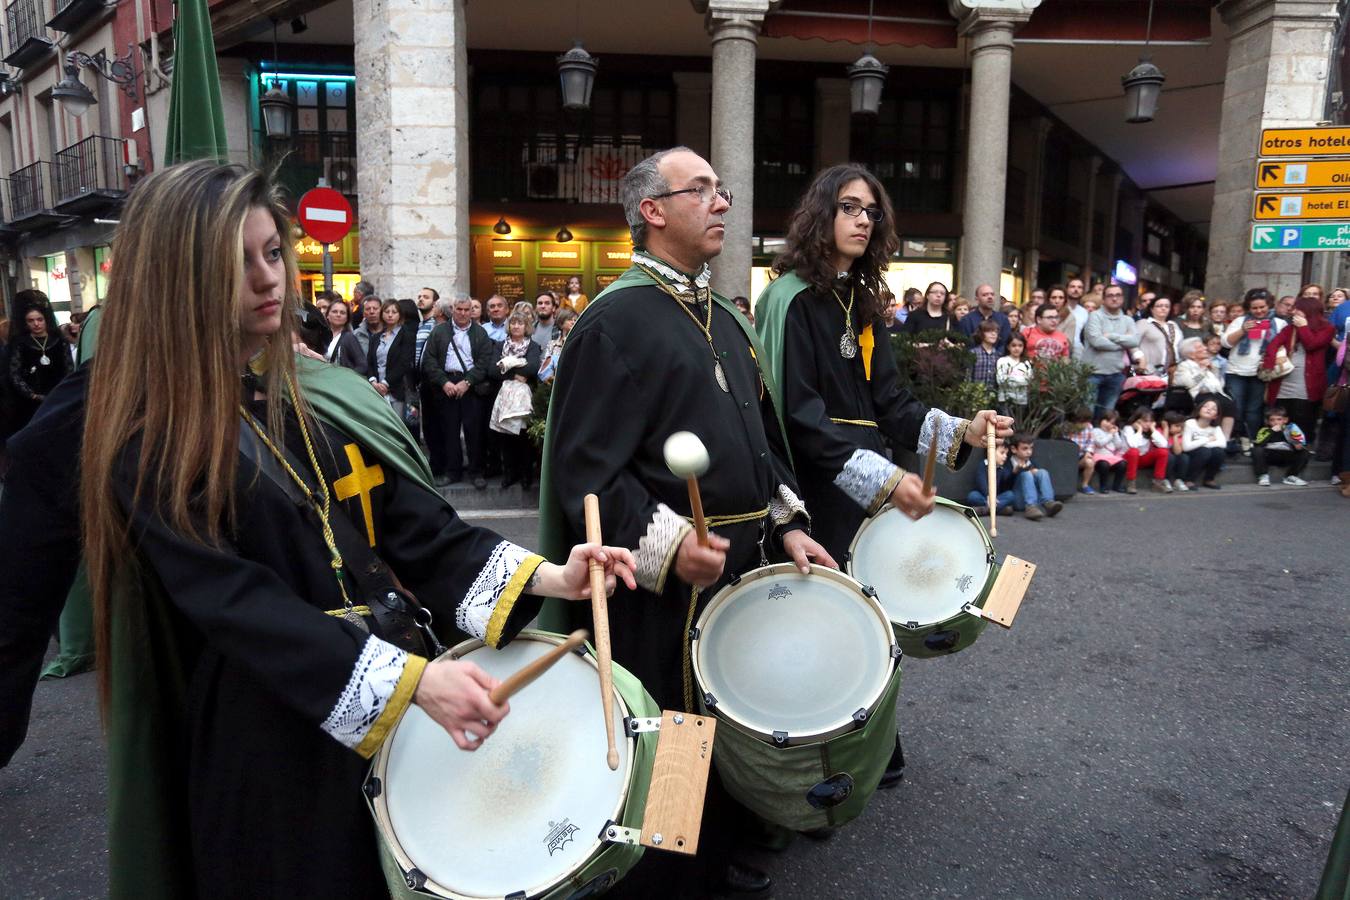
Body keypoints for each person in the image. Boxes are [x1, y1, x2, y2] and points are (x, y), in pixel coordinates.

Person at [69, 161, 638, 898]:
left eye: (273, 252)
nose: (269, 278)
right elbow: (242, 608)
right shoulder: (147, 439)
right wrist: (413, 682)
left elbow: (416, 528)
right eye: (236, 262)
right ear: (176, 278)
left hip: (389, 700)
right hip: (275, 742)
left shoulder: (300, 403)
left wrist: (556, 575)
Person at [539, 146, 836, 897]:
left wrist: (790, 521)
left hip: (743, 558)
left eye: (721, 189)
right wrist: (672, 549)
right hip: (668, 584)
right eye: (701, 189)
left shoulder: (723, 317)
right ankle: (671, 872)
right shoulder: (614, 324)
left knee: (731, 710)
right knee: (677, 722)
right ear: (652, 210)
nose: (722, 203)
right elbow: (588, 476)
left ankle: (720, 844)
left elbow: (757, 440)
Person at [753, 163, 1008, 792]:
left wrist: (961, 433)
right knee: (824, 627)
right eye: (848, 207)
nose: (862, 219)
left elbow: (891, 403)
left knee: (871, 621)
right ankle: (812, 772)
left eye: (870, 210)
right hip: (814, 489)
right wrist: (887, 480)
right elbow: (797, 419)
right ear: (820, 215)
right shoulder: (786, 298)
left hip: (863, 483)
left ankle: (871, 746)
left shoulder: (860, 300)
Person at [421, 295, 495, 487]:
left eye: (466, 309)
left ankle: (476, 472)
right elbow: (429, 361)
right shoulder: (439, 332)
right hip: (447, 384)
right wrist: (444, 382)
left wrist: (467, 382)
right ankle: (452, 471)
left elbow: (484, 362)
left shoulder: (480, 333)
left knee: (474, 432)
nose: (462, 313)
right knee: (449, 431)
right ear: (452, 309)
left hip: (471, 384)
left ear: (471, 311)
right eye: (459, 309)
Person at [1261, 295, 1335, 442]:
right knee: (1282, 421)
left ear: (1309, 311)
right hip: (1283, 382)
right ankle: (1281, 452)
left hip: (1307, 386)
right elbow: (1273, 345)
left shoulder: (1327, 328)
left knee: (1302, 423)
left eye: (1298, 309)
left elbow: (1311, 344)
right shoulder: (1290, 328)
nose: (1294, 311)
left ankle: (1299, 455)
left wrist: (1303, 327)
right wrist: (1268, 367)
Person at [1223, 288, 1284, 449]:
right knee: (1236, 407)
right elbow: (1226, 343)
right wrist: (1243, 330)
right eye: (1254, 308)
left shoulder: (1279, 323)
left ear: (1269, 305)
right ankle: (1235, 439)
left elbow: (1284, 347)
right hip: (1236, 371)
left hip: (1261, 372)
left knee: (1254, 410)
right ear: (1248, 308)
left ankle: (1250, 439)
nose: (1259, 311)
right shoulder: (1240, 321)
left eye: (1262, 307)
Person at [487, 312, 541, 488]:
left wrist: (507, 366)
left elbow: (533, 368)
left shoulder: (533, 346)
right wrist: (516, 373)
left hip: (525, 399)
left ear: (527, 327)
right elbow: (492, 370)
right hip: (503, 398)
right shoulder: (500, 345)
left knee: (523, 437)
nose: (516, 326)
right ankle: (510, 474)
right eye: (513, 323)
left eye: (520, 323)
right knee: (506, 437)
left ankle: (526, 475)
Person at [7, 301, 71, 431]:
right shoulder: (20, 343)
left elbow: (69, 368)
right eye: (31, 320)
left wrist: (60, 392)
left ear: (46, 320)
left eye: (39, 319)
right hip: (29, 404)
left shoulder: (60, 341)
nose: (36, 324)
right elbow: (14, 373)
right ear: (26, 323)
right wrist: (32, 395)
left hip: (58, 399)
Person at [1082, 284, 1141, 420]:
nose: (1114, 299)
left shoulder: (1128, 320)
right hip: (1092, 374)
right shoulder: (1094, 316)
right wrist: (1123, 343)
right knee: (1086, 416)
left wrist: (1112, 336)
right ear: (1103, 299)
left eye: (1118, 295)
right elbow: (1097, 342)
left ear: (1122, 298)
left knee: (1106, 418)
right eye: (1110, 295)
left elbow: (1135, 341)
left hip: (1116, 374)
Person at [1171, 337, 1235, 440]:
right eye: (1200, 347)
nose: (1205, 348)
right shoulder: (1184, 366)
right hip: (1195, 396)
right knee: (1216, 403)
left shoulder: (1207, 364)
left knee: (1229, 403)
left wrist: (1214, 370)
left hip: (1214, 394)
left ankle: (1225, 439)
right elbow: (1189, 383)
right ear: (1191, 354)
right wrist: (1202, 370)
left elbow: (1220, 385)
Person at [366, 299, 416, 421]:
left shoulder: (407, 335)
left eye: (394, 312)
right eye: (387, 311)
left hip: (396, 389)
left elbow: (404, 363)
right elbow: (370, 362)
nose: (390, 314)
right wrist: (373, 381)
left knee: (397, 426)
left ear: (400, 315)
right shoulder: (376, 337)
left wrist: (385, 383)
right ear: (382, 314)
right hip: (376, 388)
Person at [1007, 434, 1063, 520]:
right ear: (1014, 449)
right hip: (1018, 499)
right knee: (1026, 474)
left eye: (1031, 448)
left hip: (1037, 499)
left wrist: (1035, 473)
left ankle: (1049, 503)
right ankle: (1030, 507)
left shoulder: (1032, 463)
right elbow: (1004, 486)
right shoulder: (1007, 463)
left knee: (1042, 472)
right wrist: (1015, 472)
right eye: (1025, 448)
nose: (1029, 452)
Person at [1251, 405, 1309, 486]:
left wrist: (1297, 445)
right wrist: (1272, 431)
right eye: (1272, 420)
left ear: (1285, 420)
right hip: (1270, 455)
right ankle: (1263, 475)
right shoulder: (1264, 430)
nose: (1276, 422)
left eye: (1279, 419)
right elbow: (1259, 443)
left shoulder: (1290, 429)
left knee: (1304, 452)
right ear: (1268, 422)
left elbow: (1297, 442)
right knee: (1256, 450)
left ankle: (1291, 476)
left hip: (1285, 455)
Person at [1122, 407, 1171, 493]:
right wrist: (1139, 430)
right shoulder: (1128, 428)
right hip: (1128, 459)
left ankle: (1158, 483)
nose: (1148, 424)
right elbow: (1133, 445)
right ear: (1137, 420)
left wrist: (1153, 429)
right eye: (1145, 421)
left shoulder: (1150, 431)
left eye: (1150, 421)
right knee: (1134, 451)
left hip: (1142, 458)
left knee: (1163, 452)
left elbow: (1164, 444)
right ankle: (1131, 483)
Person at [1182, 399, 1226, 488]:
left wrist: (1201, 442)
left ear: (1216, 416)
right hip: (1190, 451)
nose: (1209, 409)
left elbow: (1223, 444)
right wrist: (1207, 439)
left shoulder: (1215, 428)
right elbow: (1186, 447)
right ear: (1199, 410)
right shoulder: (1190, 423)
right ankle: (1189, 479)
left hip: (1201, 448)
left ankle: (1209, 479)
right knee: (1204, 451)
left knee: (1219, 452)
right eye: (1205, 406)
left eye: (1213, 409)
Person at [1134, 294, 1181, 376]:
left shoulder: (1173, 325)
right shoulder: (1144, 323)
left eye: (1167, 306)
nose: (1163, 308)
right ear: (1152, 309)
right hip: (1150, 370)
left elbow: (1181, 346)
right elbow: (1132, 343)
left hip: (1173, 371)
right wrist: (1140, 357)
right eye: (1159, 306)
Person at [957, 283, 1011, 352]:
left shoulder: (1003, 319)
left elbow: (1005, 343)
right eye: (985, 295)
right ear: (977, 299)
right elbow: (966, 344)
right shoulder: (967, 320)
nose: (990, 297)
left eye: (992, 294)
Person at [320, 298, 367, 375]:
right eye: (335, 311)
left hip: (340, 383)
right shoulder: (320, 336)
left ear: (347, 318)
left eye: (342, 313)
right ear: (327, 315)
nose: (338, 314)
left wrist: (347, 377)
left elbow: (362, 365)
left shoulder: (349, 338)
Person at [967, 441, 1015, 515]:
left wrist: (1013, 473)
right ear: (990, 452)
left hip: (997, 498)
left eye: (1006, 454)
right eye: (1002, 453)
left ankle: (985, 510)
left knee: (1010, 495)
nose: (1005, 456)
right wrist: (988, 496)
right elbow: (981, 482)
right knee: (972, 496)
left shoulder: (1003, 469)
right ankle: (1000, 509)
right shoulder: (983, 465)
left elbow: (1007, 484)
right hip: (984, 496)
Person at [996, 331, 1032, 420]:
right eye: (1014, 345)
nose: (1017, 348)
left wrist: (1011, 378)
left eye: (1020, 345)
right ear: (1008, 346)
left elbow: (1028, 380)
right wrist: (1020, 380)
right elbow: (1001, 380)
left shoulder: (1026, 363)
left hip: (1022, 400)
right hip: (1005, 400)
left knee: (1018, 427)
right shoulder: (1002, 361)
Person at [1062, 406, 1096, 494]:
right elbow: (1064, 443)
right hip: (1068, 456)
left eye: (1086, 422)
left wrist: (1088, 452)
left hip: (1081, 456)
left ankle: (1085, 485)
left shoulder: (1089, 427)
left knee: (1090, 462)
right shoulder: (1066, 427)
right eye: (1081, 422)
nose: (1083, 425)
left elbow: (1091, 442)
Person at [538, 306, 577, 382]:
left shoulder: (579, 342)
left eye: (575, 320)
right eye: (569, 320)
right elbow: (544, 365)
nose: (573, 322)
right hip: (553, 383)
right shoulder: (552, 344)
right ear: (561, 323)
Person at [1161, 412, 1190, 491]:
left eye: (1181, 427)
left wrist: (1175, 437)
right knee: (1169, 457)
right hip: (1163, 458)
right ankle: (1165, 479)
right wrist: (1166, 429)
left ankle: (1179, 480)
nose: (1179, 429)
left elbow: (1177, 452)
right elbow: (1163, 445)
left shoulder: (1179, 436)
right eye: (1177, 426)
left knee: (1184, 457)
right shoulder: (1160, 431)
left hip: (1175, 456)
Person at [970, 318, 1001, 389]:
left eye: (996, 332)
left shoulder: (998, 355)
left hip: (992, 395)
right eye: (989, 331)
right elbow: (968, 375)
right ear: (981, 333)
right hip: (975, 394)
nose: (993, 334)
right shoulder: (973, 353)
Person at [352, 294, 384, 358]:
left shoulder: (391, 333)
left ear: (382, 311)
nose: (372, 312)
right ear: (363, 313)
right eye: (368, 309)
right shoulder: (356, 335)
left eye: (375, 308)